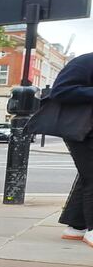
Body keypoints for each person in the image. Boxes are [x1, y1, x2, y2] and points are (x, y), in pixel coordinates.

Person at [50, 52, 93, 247]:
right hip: (84, 129)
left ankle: (76, 226)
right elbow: (60, 91)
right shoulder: (86, 61)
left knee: (87, 176)